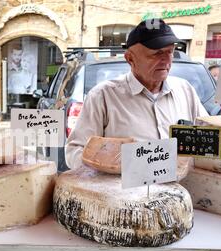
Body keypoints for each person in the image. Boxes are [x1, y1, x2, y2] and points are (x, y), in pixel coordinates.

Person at [65, 19, 209, 169]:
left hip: (179, 190)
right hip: (124, 191)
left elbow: (208, 139)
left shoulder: (185, 90)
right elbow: (75, 151)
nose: (166, 60)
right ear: (130, 58)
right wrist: (108, 168)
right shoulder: (103, 96)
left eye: (170, 51)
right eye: (157, 53)